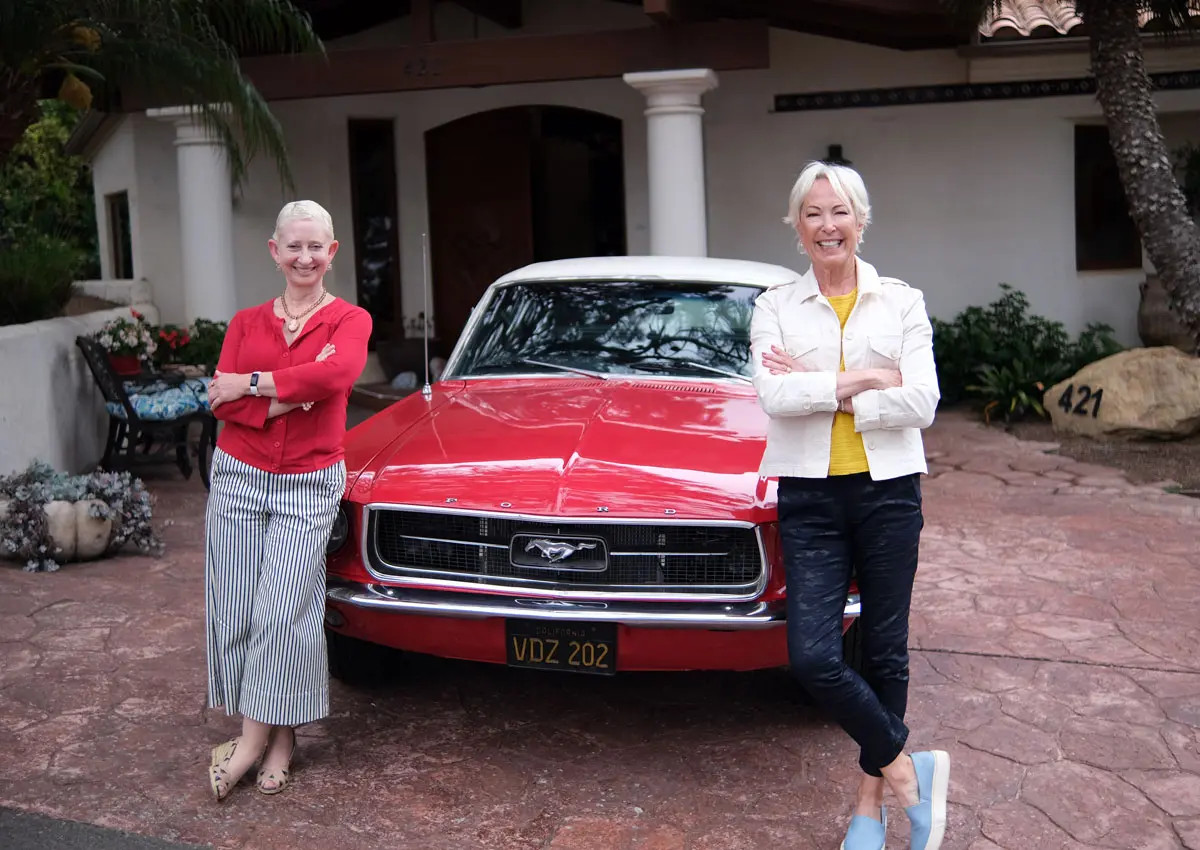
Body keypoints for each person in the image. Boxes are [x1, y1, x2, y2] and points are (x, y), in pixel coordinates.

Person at [749, 161, 948, 850]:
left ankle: (870, 804)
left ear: (861, 220)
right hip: (808, 497)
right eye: (813, 214)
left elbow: (922, 401)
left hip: (889, 493)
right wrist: (867, 376)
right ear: (797, 227)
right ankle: (906, 770)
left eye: (839, 212)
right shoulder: (775, 305)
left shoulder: (901, 301)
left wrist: (823, 387)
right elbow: (773, 398)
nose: (827, 226)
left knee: (885, 653)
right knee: (812, 657)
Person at [203, 199, 372, 801]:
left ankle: (247, 742)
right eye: (293, 246)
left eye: (316, 246)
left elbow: (336, 377)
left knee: (285, 611)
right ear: (275, 252)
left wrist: (252, 384)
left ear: (333, 253)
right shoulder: (246, 323)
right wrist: (292, 394)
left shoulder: (351, 321)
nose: (305, 257)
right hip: (239, 476)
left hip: (308, 480)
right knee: (241, 606)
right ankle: (280, 739)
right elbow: (218, 404)